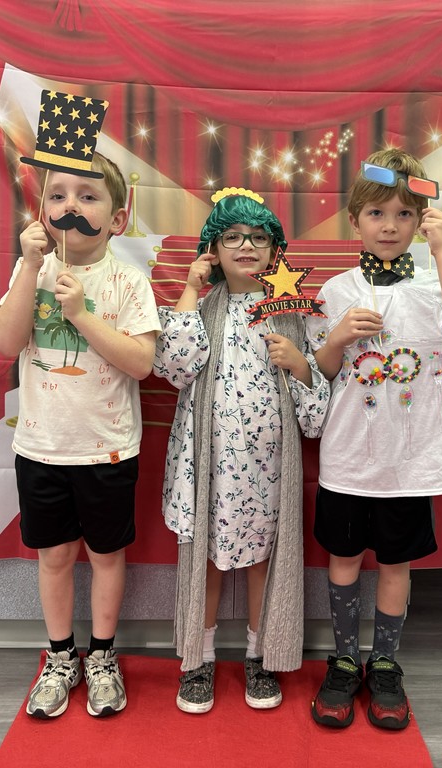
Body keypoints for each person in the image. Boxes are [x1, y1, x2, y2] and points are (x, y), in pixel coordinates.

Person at [306, 148, 442, 730]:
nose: (390, 226)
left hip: (410, 462)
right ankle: (342, 659)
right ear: (354, 220)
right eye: (377, 213)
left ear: (420, 221)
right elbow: (322, 371)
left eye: (404, 215)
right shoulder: (335, 289)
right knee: (343, 557)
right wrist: (335, 338)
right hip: (347, 459)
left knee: (395, 563)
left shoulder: (437, 287)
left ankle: (384, 664)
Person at [0, 154, 160, 719]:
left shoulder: (129, 282)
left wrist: (82, 314)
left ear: (117, 219)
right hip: (41, 447)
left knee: (107, 556)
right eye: (58, 195)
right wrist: (27, 266)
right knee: (55, 556)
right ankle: (61, 656)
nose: (71, 206)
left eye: (88, 196)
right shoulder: (30, 272)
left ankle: (103, 657)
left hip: (107, 449)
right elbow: (5, 341)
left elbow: (141, 363)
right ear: (42, 212)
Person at [154, 188, 330, 714]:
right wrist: (189, 287)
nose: (246, 246)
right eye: (232, 237)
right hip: (205, 464)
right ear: (213, 248)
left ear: (274, 250)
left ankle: (259, 655)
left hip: (267, 467)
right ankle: (199, 660)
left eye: (257, 237)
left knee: (263, 560)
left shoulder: (294, 315)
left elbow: (318, 412)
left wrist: (299, 365)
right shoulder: (201, 309)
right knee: (205, 558)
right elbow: (175, 366)